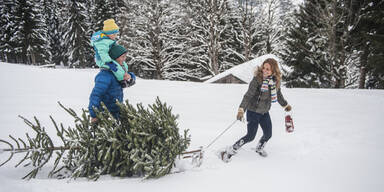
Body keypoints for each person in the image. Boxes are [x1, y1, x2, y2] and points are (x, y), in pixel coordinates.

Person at [221, 58, 292, 162]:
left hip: (264, 112)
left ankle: (259, 147)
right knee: (250, 136)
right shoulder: (257, 80)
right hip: (253, 111)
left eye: (268, 69)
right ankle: (231, 150)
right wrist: (241, 110)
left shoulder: (275, 82)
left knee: (268, 134)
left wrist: (285, 105)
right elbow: (248, 96)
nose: (265, 71)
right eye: (264, 68)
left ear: (274, 71)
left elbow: (278, 94)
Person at [88, 44, 136, 123]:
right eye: (122, 57)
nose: (124, 59)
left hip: (116, 111)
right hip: (105, 114)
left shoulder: (118, 72)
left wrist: (130, 77)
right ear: (115, 58)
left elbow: (126, 83)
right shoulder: (105, 75)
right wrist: (94, 114)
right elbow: (96, 95)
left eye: (125, 56)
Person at [91, 19, 127, 84]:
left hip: (108, 58)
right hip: (102, 60)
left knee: (123, 64)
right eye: (113, 34)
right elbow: (102, 53)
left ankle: (126, 74)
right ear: (108, 34)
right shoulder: (102, 42)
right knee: (115, 67)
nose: (115, 36)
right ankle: (122, 80)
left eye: (116, 34)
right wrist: (109, 62)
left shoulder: (108, 39)